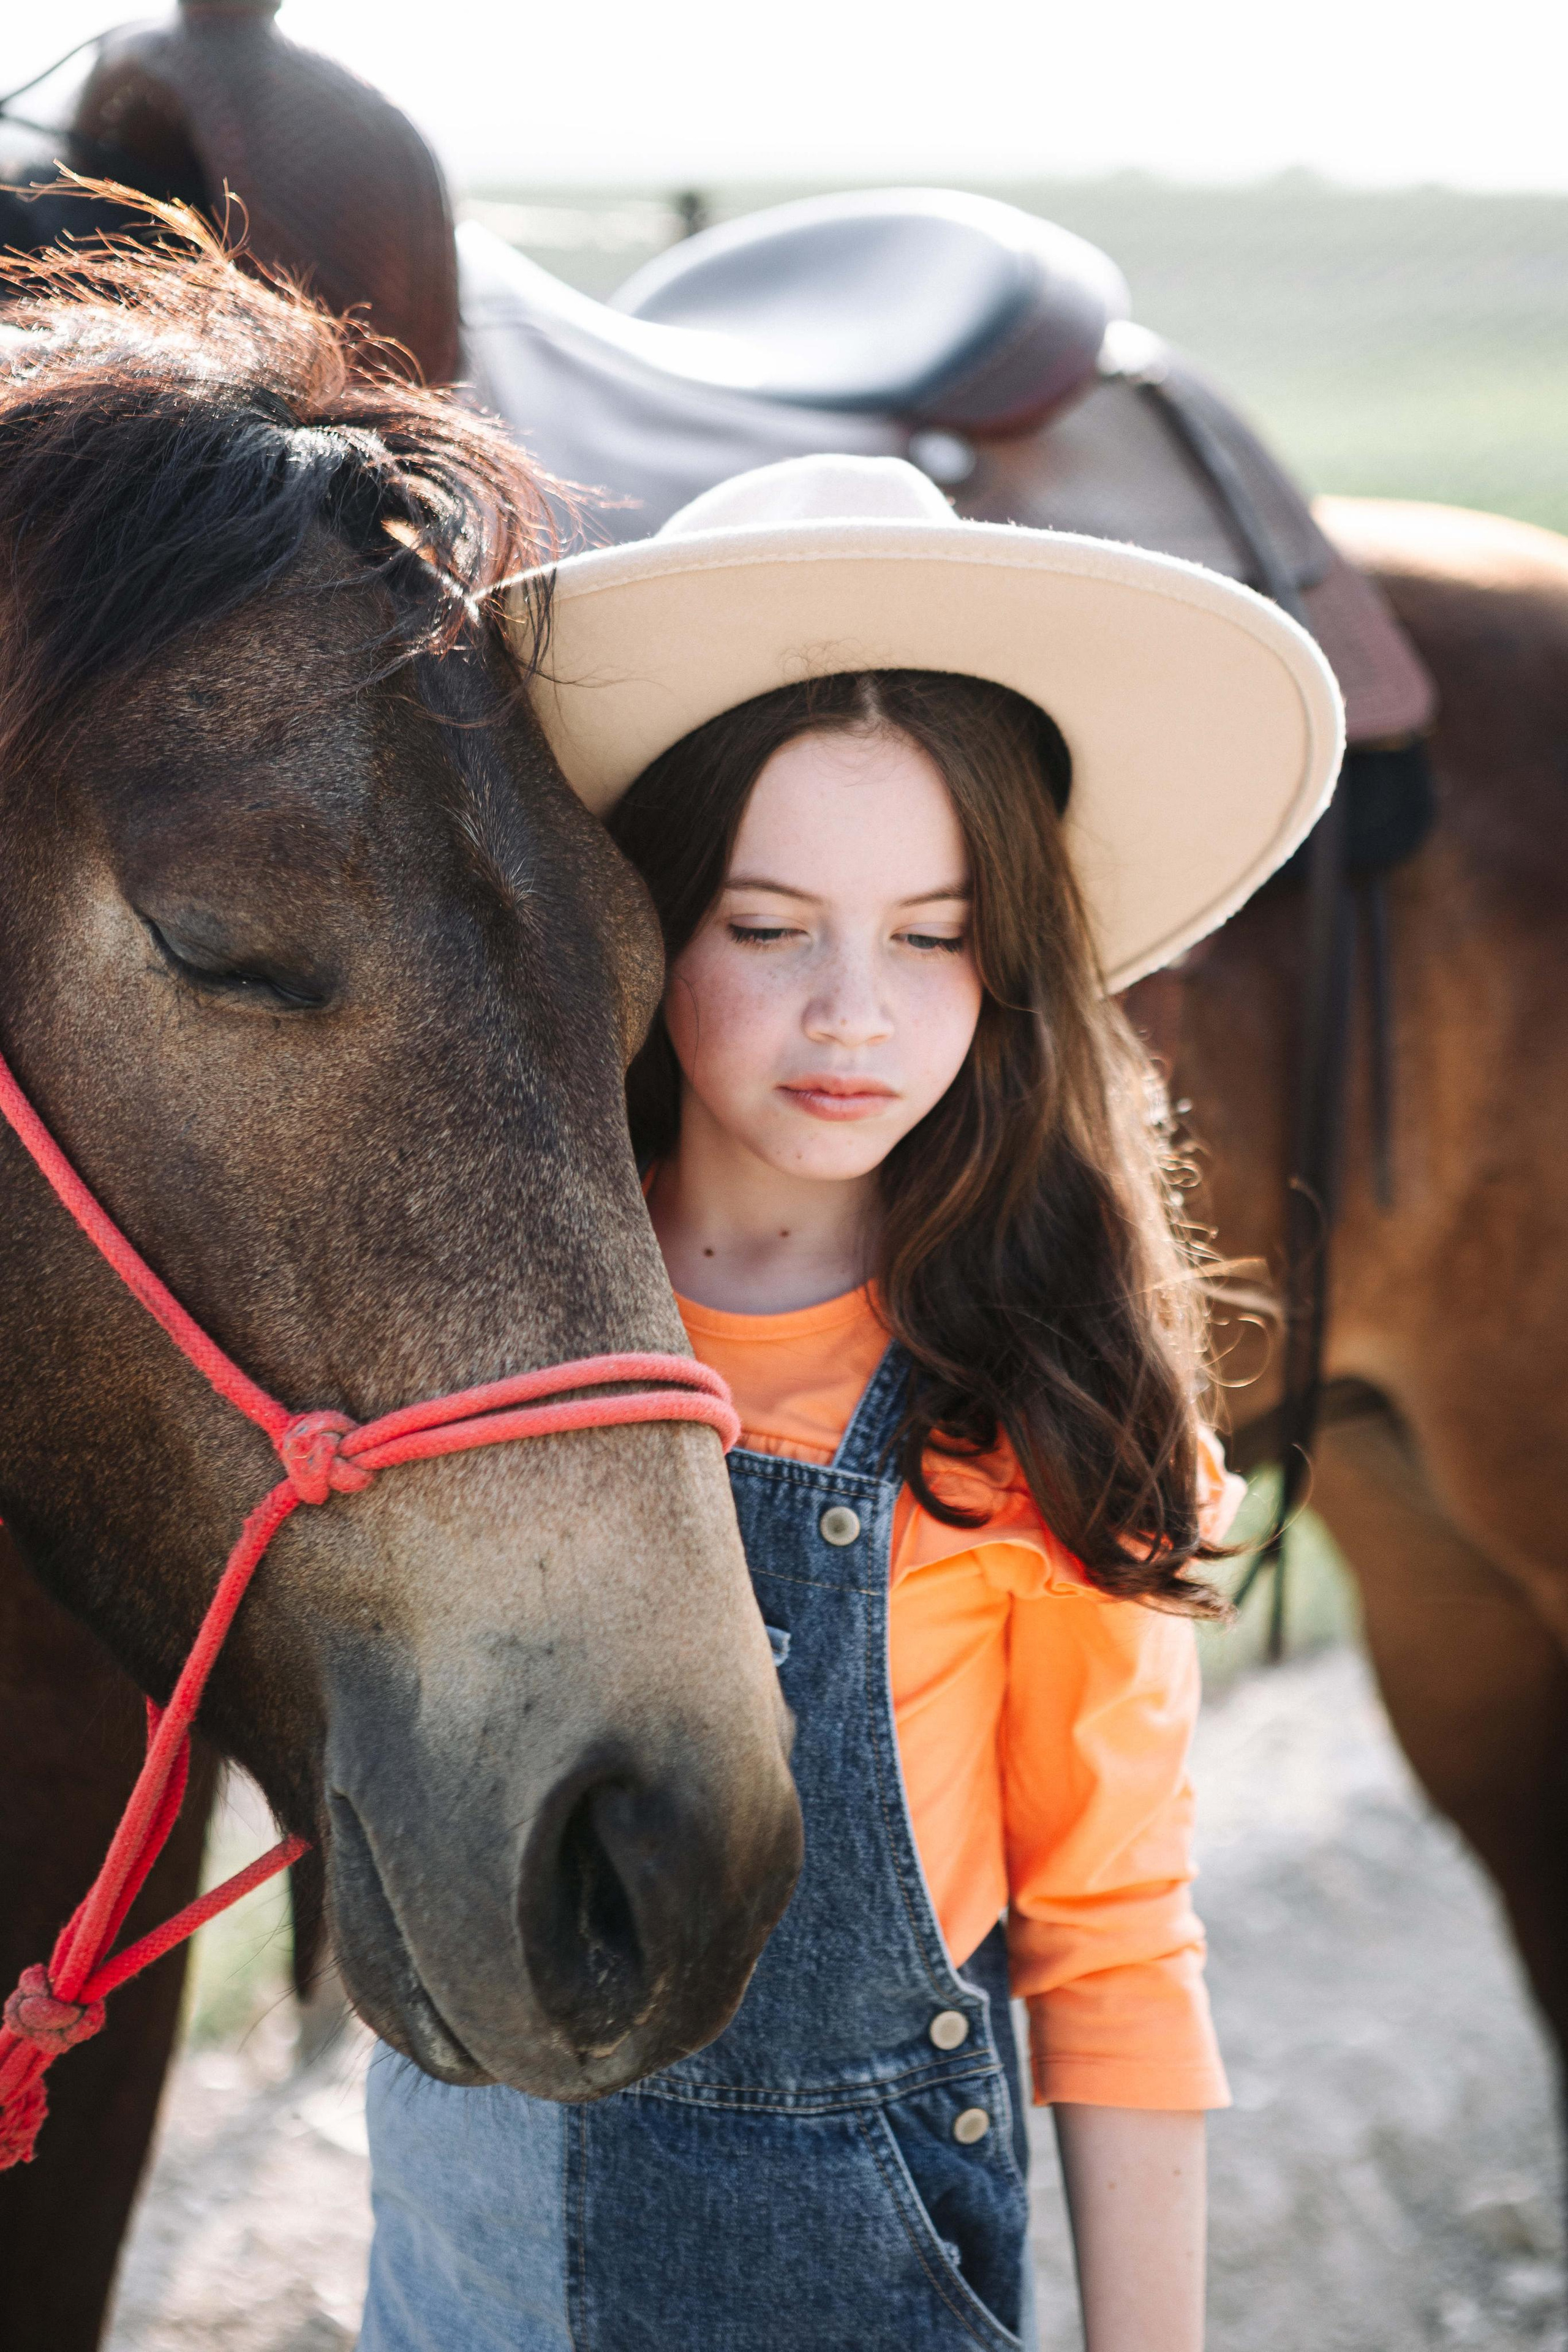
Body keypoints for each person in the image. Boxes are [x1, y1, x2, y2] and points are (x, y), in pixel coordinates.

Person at [360, 454, 1344, 2351]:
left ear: (1012, 959)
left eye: (932, 932)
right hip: (450, 2286)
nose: (852, 1015)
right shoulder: (462, 1332)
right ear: (639, 921)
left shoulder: (1030, 1401)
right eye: (764, 924)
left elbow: (1116, 1945)